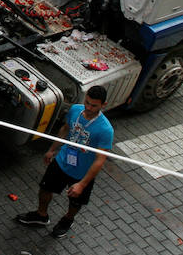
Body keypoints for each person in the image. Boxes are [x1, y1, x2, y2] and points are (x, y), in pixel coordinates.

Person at [16, 84, 113, 238]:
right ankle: (41, 215)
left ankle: (68, 219)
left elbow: (100, 160)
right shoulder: (76, 110)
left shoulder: (105, 130)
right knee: (45, 189)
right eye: (87, 102)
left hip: (82, 172)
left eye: (94, 105)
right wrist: (52, 149)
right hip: (62, 161)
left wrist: (82, 184)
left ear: (103, 105)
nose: (88, 107)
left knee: (75, 201)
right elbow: (65, 129)